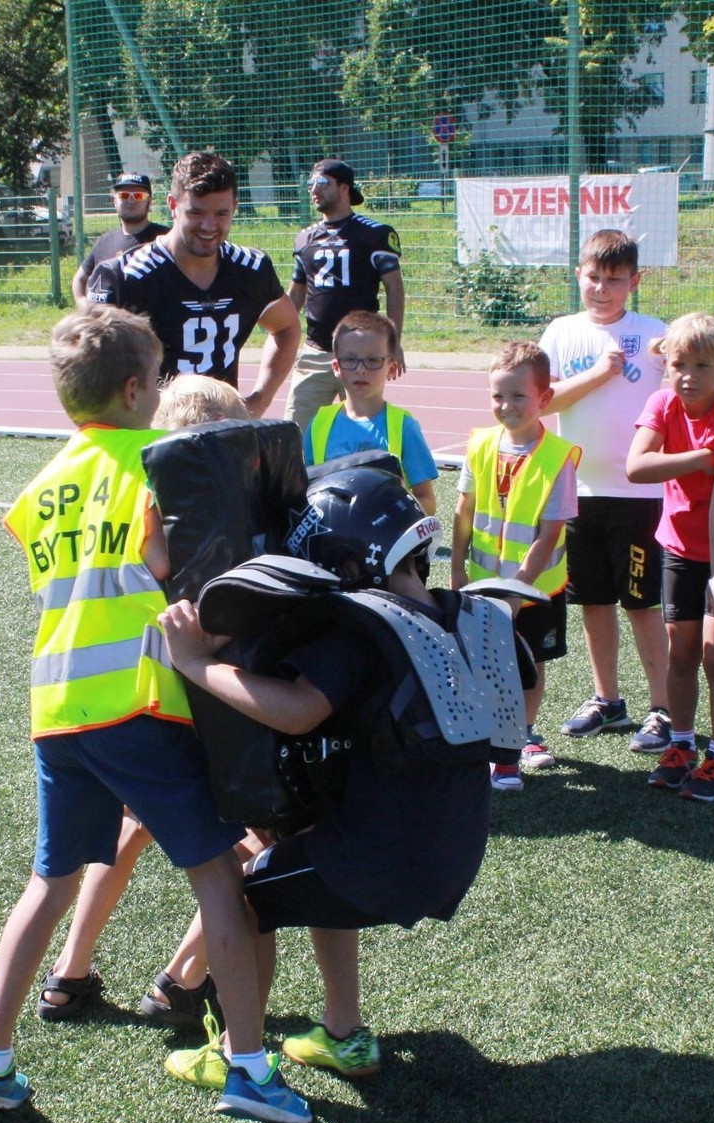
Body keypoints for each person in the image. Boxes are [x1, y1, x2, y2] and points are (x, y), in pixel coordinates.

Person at [0, 308, 310, 1123]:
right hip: (138, 703)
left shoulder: (42, 483)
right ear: (137, 386)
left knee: (50, 880)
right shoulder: (156, 465)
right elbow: (170, 567)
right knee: (221, 876)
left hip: (56, 703)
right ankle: (249, 1071)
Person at [159, 467, 510, 1090]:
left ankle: (239, 1055)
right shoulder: (466, 614)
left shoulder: (359, 626)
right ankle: (342, 1033)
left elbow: (297, 711)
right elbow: (519, 696)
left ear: (346, 564)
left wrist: (194, 663)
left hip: (389, 863)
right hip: (457, 847)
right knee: (318, 849)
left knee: (238, 894)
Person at [35, 373, 253, 1026]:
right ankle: (182, 982)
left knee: (128, 827)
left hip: (116, 700)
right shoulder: (210, 517)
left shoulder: (131, 489)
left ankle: (69, 973)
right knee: (260, 847)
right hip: (185, 704)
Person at [539, 229, 671, 754]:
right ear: (579, 275)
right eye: (593, 277)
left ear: (634, 282)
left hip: (639, 495)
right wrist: (598, 374)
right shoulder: (562, 330)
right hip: (578, 491)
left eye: (615, 280)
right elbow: (544, 401)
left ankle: (662, 707)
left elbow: (677, 396)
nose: (601, 288)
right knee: (593, 601)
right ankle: (608, 700)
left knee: (642, 604)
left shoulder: (655, 333)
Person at [626, 313, 714, 802]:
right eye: (679, 363)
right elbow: (637, 467)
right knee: (680, 654)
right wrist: (699, 458)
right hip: (678, 549)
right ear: (665, 362)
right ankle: (680, 747)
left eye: (702, 365)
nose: (689, 375)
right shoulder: (661, 404)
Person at [451, 341, 579, 791]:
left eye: (518, 396)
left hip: (534, 590)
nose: (506, 406)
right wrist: (457, 571)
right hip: (484, 587)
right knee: (486, 665)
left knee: (528, 663)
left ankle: (518, 742)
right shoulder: (481, 444)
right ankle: (493, 741)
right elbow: (463, 511)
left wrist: (520, 587)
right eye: (497, 396)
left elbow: (549, 532)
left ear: (545, 398)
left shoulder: (558, 456)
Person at [87, 151, 300, 414]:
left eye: (221, 213)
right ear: (173, 205)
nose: (209, 225)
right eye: (196, 212)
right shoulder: (124, 277)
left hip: (220, 435)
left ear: (235, 206)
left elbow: (287, 327)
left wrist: (260, 400)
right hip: (149, 434)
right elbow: (91, 369)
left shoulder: (251, 268)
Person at [284, 158, 405, 431]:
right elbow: (295, 296)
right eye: (310, 184)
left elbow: (395, 289)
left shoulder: (374, 234)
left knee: (365, 430)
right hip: (315, 351)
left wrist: (393, 342)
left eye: (322, 183)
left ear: (344, 188)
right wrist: (276, 332)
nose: (314, 189)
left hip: (360, 354)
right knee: (294, 432)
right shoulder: (305, 239)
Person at [304, 310, 437, 514]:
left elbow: (425, 498)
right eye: (350, 359)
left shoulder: (404, 427)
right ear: (336, 367)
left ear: (391, 369)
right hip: (330, 539)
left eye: (373, 360)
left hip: (388, 541)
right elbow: (307, 491)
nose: (361, 369)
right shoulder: (319, 424)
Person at [71, 173, 169, 301]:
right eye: (124, 195)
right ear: (115, 201)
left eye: (138, 196)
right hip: (109, 320)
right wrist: (84, 307)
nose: (131, 200)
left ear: (149, 202)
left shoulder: (165, 239)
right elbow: (79, 279)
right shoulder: (104, 241)